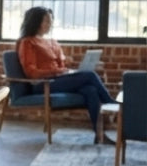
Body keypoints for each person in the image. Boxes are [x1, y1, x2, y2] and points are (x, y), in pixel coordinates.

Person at [17, 7, 115, 138]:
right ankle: (110, 103)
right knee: (90, 75)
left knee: (90, 89)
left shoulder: (52, 42)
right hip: (42, 85)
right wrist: (59, 71)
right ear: (36, 22)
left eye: (50, 21)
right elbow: (31, 73)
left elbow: (60, 65)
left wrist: (66, 68)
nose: (50, 24)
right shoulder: (27, 43)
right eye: (46, 21)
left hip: (57, 80)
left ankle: (100, 135)